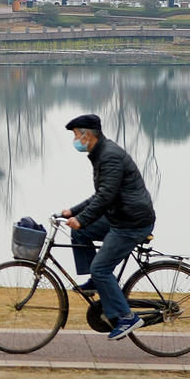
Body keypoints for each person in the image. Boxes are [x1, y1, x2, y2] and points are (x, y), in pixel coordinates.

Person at [59, 112, 157, 341]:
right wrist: (73, 212)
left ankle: (126, 317)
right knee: (80, 232)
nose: (75, 140)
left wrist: (82, 217)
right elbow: (100, 195)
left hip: (132, 221)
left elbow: (106, 197)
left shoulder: (109, 156)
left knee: (101, 268)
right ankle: (95, 282)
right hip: (120, 215)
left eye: (75, 135)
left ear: (86, 135)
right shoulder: (100, 153)